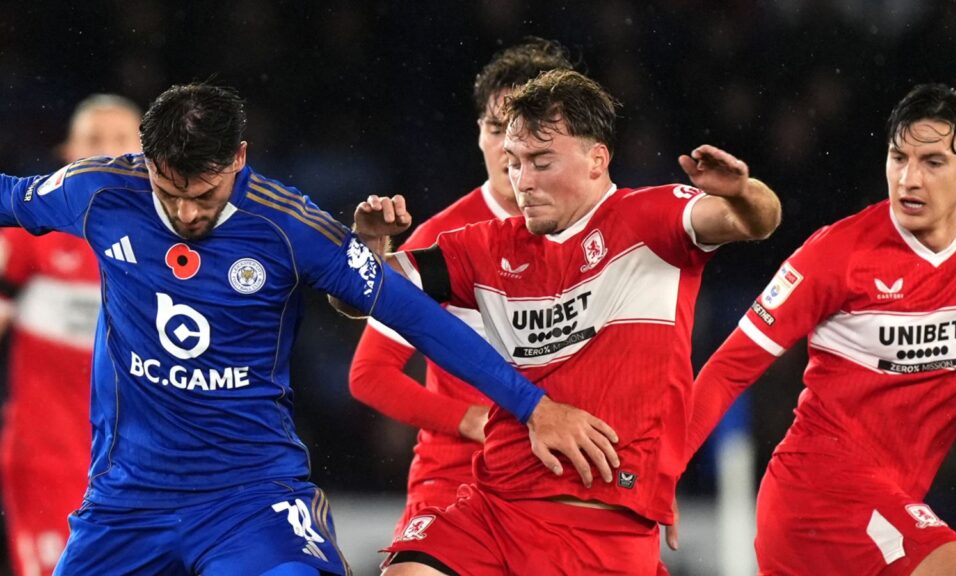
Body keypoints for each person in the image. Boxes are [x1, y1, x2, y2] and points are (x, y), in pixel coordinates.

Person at [0, 82, 620, 576]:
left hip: (248, 499)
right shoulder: (101, 192)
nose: (186, 213)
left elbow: (416, 316)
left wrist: (532, 405)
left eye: (204, 195)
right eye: (169, 192)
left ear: (238, 158)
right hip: (127, 501)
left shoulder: (290, 227)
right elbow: (9, 196)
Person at [346, 69, 781, 575]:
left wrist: (743, 192)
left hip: (603, 530)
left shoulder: (653, 219)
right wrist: (368, 248)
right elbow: (361, 293)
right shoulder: (483, 246)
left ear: (597, 159)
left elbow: (755, 221)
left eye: (541, 162)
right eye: (514, 163)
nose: (523, 181)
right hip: (494, 510)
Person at [684, 84, 956, 575]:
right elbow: (728, 370)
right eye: (898, 158)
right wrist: (656, 481)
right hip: (817, 494)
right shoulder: (839, 253)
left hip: (881, 504)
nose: (910, 179)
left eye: (933, 162)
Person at [348, 37, 574, 538]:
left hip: (563, 479)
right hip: (457, 480)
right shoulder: (443, 239)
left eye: (528, 131)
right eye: (496, 129)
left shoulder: (600, 230)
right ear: (478, 133)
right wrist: (473, 420)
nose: (509, 148)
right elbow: (369, 374)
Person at [0, 93, 142, 576]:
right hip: (46, 460)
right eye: (93, 140)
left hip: (138, 469)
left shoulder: (173, 244)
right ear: (67, 154)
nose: (107, 152)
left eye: (120, 139)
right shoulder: (31, 234)